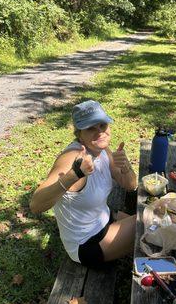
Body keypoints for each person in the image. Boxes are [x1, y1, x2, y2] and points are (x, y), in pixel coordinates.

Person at [30, 100, 137, 268]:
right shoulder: (71, 157)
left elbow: (130, 185)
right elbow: (36, 205)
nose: (100, 132)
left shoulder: (103, 150)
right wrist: (74, 175)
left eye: (102, 125)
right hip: (86, 244)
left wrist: (126, 167)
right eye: (91, 128)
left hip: (104, 218)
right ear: (79, 134)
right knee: (149, 222)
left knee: (153, 220)